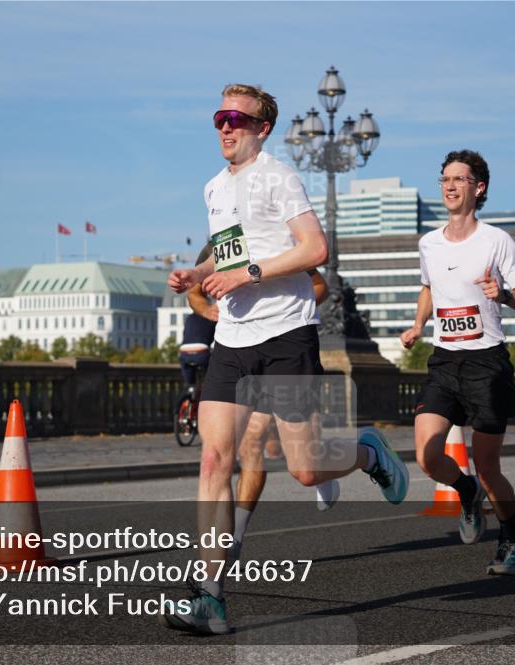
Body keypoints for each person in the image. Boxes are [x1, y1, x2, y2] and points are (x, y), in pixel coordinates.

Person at [162, 83, 408, 635]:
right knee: (213, 461)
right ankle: (210, 595)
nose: (225, 127)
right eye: (219, 117)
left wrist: (247, 275)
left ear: (262, 127)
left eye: (236, 119)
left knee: (303, 468)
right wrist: (197, 275)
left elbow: (314, 250)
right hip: (234, 339)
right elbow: (232, 254)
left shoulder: (278, 176)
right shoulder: (213, 189)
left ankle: (366, 451)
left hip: (287, 337)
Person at [400, 150, 515, 576]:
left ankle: (512, 539)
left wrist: (504, 295)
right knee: (426, 455)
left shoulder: (497, 241)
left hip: (486, 363)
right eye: (444, 179)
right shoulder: (429, 243)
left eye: (459, 179)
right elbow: (429, 288)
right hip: (444, 361)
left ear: (479, 188)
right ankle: (466, 490)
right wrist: (417, 324)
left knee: (489, 465)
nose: (450, 186)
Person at [227, 270, 340, 566]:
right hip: (245, 353)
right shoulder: (219, 249)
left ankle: (336, 464)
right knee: (253, 443)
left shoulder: (280, 242)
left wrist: (283, 315)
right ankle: (236, 535)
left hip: (286, 349)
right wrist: (210, 311)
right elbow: (196, 296)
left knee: (300, 461)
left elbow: (321, 287)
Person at [177, 244, 217, 392]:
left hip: (184, 351)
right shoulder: (210, 249)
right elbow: (194, 293)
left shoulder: (190, 319)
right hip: (214, 350)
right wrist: (209, 311)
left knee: (190, 386)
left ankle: (188, 394)